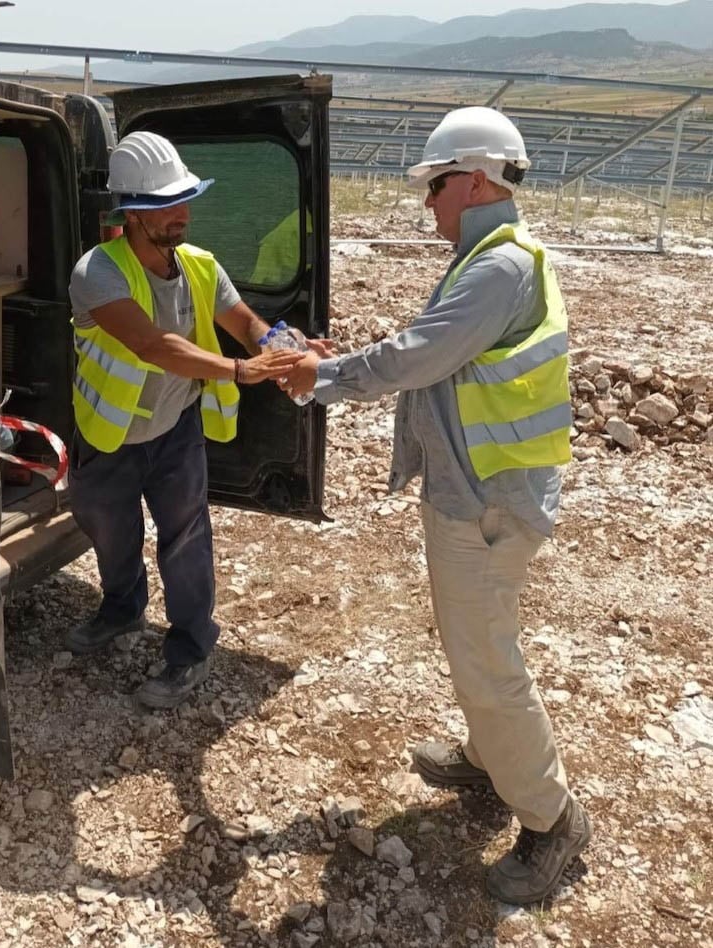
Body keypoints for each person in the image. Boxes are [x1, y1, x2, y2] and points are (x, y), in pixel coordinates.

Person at [281, 107, 592, 906]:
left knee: (487, 661)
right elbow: (434, 352)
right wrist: (338, 364)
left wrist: (321, 378)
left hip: (487, 502)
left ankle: (551, 819)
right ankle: (491, 760)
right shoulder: (488, 257)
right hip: (481, 490)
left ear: (476, 180)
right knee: (474, 646)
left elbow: (418, 357)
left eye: (436, 184)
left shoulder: (496, 268)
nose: (428, 201)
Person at [65, 131, 308, 710]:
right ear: (132, 213)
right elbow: (154, 345)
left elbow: (245, 322)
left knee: (186, 540)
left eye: (185, 200)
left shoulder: (200, 265)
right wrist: (239, 371)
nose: (183, 215)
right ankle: (122, 609)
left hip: (175, 429)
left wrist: (287, 347)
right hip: (110, 434)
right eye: (166, 206)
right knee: (110, 532)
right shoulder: (98, 273)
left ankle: (191, 649)